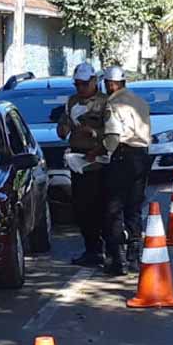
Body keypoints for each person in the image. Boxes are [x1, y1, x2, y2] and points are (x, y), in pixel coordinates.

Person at [99, 65, 152, 275]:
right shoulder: (140, 101)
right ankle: (134, 257)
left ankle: (117, 259)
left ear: (111, 84)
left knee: (114, 208)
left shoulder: (112, 103)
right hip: (142, 155)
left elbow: (112, 136)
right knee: (134, 207)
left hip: (122, 156)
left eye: (106, 84)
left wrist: (101, 152)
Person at [57, 62, 109, 267]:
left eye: (84, 84)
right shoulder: (71, 102)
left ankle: (108, 248)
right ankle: (91, 249)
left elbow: (113, 132)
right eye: (77, 84)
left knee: (101, 208)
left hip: (98, 160)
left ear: (94, 82)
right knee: (81, 209)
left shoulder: (105, 103)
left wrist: (94, 133)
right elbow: (62, 129)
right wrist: (65, 126)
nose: (80, 89)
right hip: (77, 162)